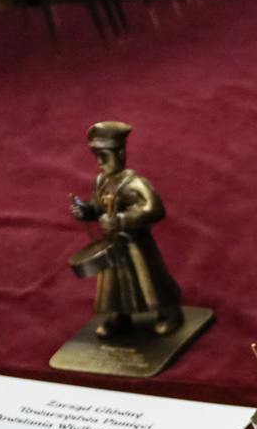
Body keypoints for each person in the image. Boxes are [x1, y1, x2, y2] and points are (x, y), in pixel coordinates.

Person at [70, 121, 184, 338]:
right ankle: (120, 317)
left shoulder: (135, 184)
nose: (100, 162)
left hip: (135, 246)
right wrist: (86, 210)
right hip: (113, 246)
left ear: (120, 153)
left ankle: (170, 313)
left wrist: (121, 220)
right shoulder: (101, 181)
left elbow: (153, 209)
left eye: (105, 156)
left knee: (150, 282)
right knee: (115, 287)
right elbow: (98, 205)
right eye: (97, 156)